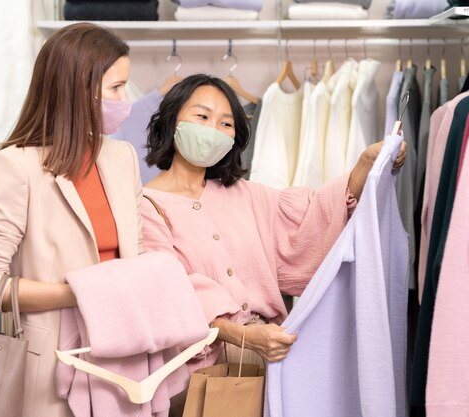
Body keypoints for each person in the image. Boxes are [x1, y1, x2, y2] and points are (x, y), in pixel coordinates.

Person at [141, 74, 407, 368]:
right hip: (197, 368)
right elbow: (167, 291)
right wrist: (242, 335)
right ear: (171, 119)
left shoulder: (246, 196)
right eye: (202, 116)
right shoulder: (146, 206)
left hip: (268, 358)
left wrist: (366, 165)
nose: (213, 129)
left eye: (226, 123)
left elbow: (313, 218)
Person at [0, 23, 143, 417]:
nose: (125, 99)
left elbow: (135, 257)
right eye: (115, 88)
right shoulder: (14, 166)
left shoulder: (121, 157)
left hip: (122, 352)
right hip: (51, 363)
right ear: (78, 88)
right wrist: (81, 291)